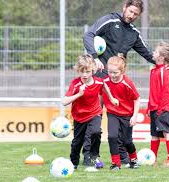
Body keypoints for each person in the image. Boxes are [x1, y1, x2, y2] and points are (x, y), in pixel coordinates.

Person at [84, 0, 155, 164]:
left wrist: (164, 64)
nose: (131, 16)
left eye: (135, 14)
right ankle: (90, 155)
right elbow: (89, 34)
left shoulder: (134, 34)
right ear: (124, 8)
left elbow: (147, 53)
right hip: (100, 76)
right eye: (130, 11)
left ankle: (123, 157)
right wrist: (94, 58)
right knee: (94, 117)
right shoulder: (110, 21)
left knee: (121, 119)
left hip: (116, 82)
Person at [62, 54, 118, 170]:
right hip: (79, 117)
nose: (85, 75)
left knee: (96, 132)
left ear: (93, 69)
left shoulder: (98, 82)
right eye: (82, 72)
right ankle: (74, 162)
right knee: (77, 142)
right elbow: (64, 101)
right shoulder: (76, 84)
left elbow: (104, 86)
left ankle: (93, 156)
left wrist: (112, 99)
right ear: (78, 70)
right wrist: (78, 94)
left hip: (94, 113)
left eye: (87, 71)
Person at [102, 56, 140, 170]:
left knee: (126, 140)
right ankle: (116, 163)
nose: (112, 75)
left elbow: (137, 99)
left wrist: (134, 116)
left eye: (115, 72)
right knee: (112, 137)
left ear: (122, 71)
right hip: (112, 113)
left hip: (127, 115)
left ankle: (134, 160)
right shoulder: (105, 82)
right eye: (110, 72)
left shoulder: (127, 83)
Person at [147, 41, 169, 167]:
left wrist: (161, 109)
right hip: (154, 107)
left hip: (163, 108)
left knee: (166, 132)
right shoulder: (154, 70)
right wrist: (149, 107)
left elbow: (165, 92)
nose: (153, 53)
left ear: (161, 57)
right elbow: (153, 91)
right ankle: (152, 159)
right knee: (154, 134)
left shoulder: (164, 72)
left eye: (155, 52)